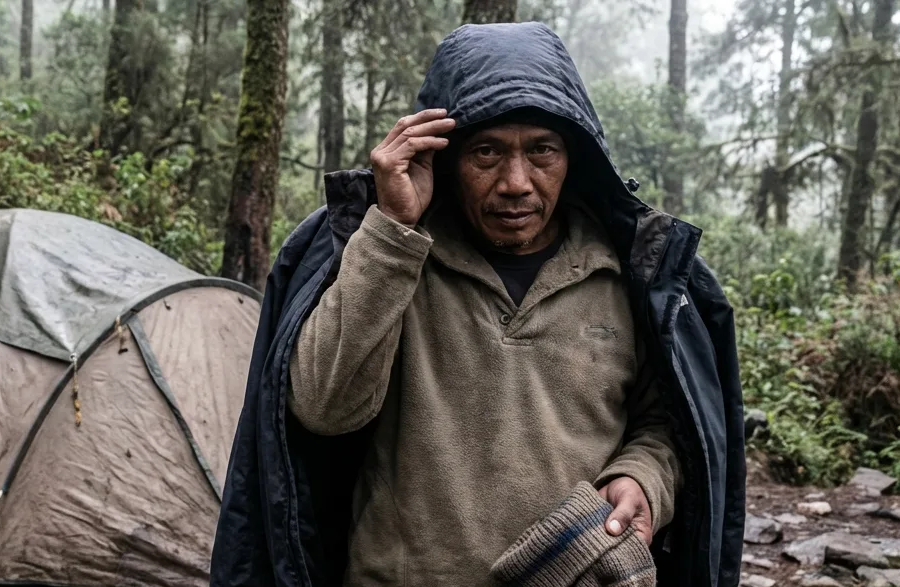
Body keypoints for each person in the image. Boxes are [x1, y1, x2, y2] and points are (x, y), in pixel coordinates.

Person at [212, 22, 746, 587]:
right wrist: (393, 230)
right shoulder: (385, 255)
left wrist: (642, 478)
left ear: (574, 158)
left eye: (542, 150)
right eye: (487, 152)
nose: (516, 182)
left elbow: (665, 424)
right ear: (443, 158)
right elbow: (323, 407)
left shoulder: (630, 273)